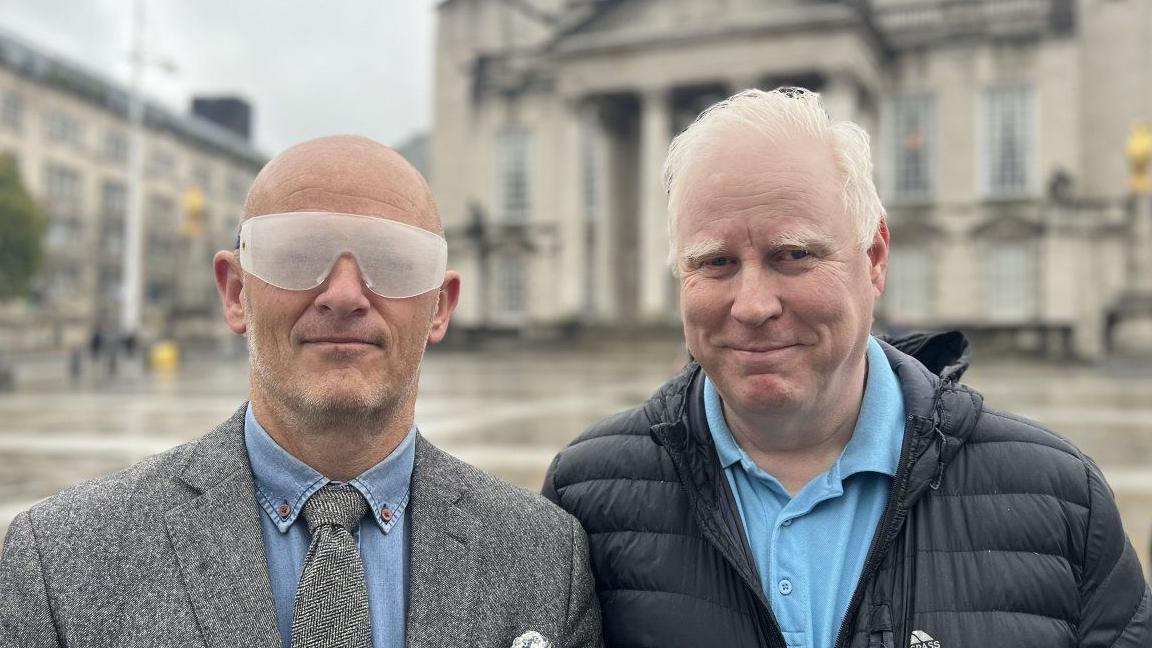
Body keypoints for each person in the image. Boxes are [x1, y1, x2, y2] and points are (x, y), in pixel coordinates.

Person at [543, 89, 1150, 648]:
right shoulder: (583, 498)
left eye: (794, 255)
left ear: (875, 258)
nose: (753, 306)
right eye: (716, 261)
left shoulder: (1061, 499)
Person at [1, 136, 602, 648]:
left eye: (392, 261)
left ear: (440, 307)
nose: (344, 293)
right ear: (235, 292)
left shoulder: (547, 558)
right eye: (296, 255)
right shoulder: (58, 558)